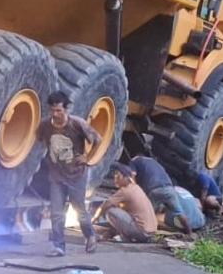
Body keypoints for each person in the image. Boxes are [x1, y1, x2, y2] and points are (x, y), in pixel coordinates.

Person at [37, 91, 101, 257]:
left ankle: (90, 235)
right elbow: (37, 140)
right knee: (56, 212)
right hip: (56, 176)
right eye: (52, 110)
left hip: (76, 175)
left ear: (66, 110)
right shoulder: (45, 125)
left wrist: (87, 157)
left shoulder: (77, 124)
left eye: (59, 111)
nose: (55, 114)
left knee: (79, 210)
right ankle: (59, 246)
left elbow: (98, 139)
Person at [129, 155, 192, 234]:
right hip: (169, 188)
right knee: (179, 212)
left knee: (148, 213)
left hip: (154, 189)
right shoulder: (154, 162)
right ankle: (190, 233)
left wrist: (134, 190)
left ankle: (146, 233)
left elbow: (132, 176)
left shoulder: (134, 161)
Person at [95, 163, 158, 243]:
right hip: (150, 233)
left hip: (142, 232)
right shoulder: (136, 188)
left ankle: (125, 237)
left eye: (118, 176)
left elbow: (106, 205)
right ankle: (115, 235)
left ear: (125, 177)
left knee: (110, 211)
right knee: (118, 212)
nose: (115, 179)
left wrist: (94, 218)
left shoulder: (125, 191)